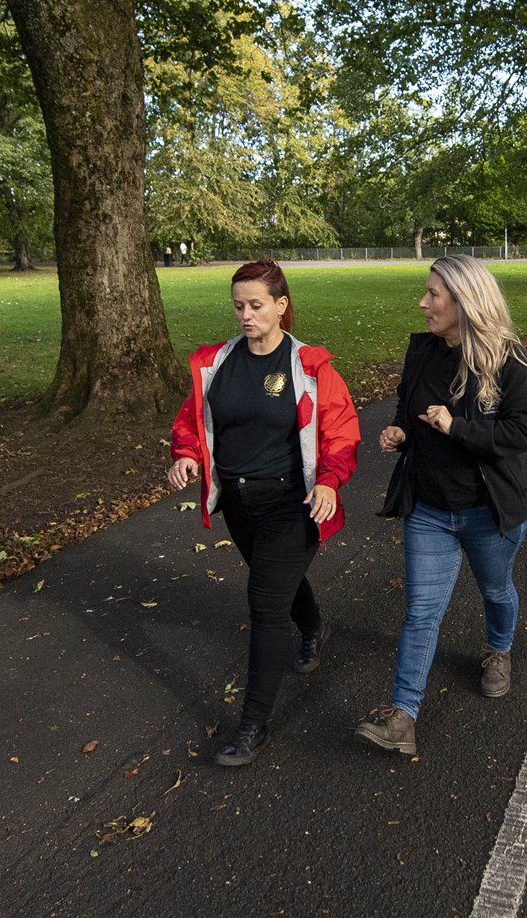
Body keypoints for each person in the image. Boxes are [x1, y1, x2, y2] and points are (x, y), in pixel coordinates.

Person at [168, 260, 361, 767]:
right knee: (275, 580)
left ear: (281, 305)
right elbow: (191, 421)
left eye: (256, 305)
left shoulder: (311, 367)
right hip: (237, 501)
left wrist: (329, 481)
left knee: (265, 604)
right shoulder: (216, 363)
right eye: (238, 306)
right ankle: (315, 626)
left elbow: (340, 431)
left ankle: (253, 723)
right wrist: (186, 454)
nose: (246, 316)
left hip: (291, 503)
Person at [355, 255, 527, 756]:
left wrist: (456, 427)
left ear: (465, 301)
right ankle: (403, 716)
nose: (423, 302)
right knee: (421, 613)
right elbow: (406, 403)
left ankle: (498, 650)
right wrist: (400, 430)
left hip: (486, 511)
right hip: (430, 510)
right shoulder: (422, 352)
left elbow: (521, 432)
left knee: (497, 591)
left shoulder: (508, 361)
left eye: (434, 294)